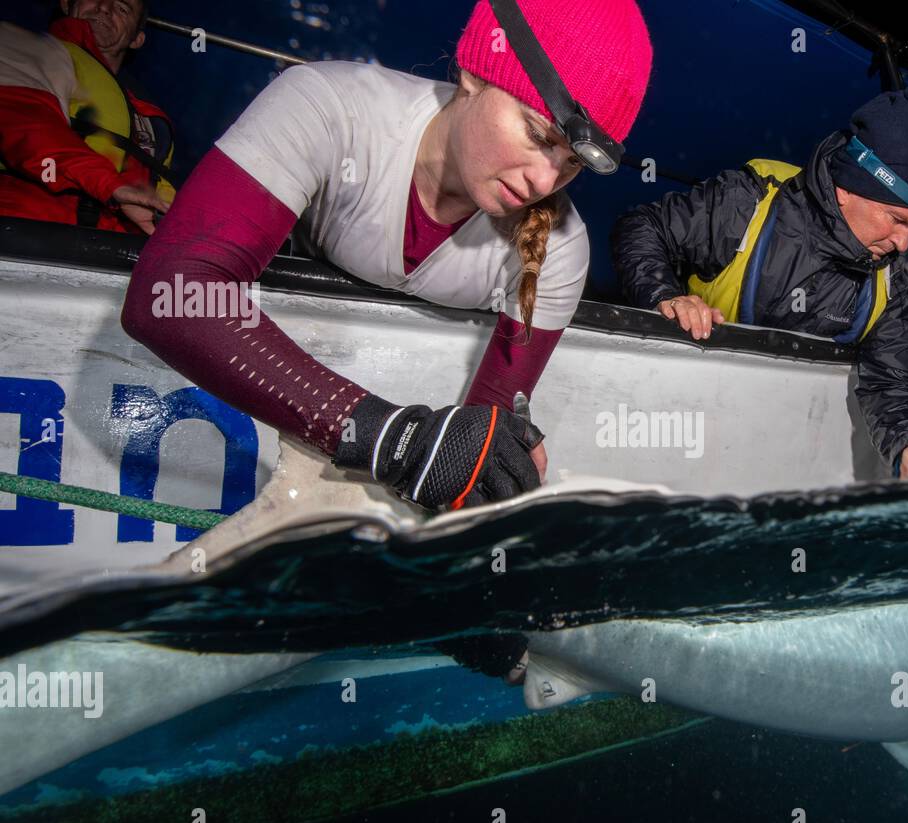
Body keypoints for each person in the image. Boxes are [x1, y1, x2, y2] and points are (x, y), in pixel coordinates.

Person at [120, 0, 653, 677]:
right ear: (474, 71)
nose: (544, 181)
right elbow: (174, 289)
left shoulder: (560, 248)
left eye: (571, 164)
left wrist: (473, 591)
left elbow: (484, 441)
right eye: (537, 135)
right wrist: (388, 436)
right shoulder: (330, 107)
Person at [611, 89, 908, 480]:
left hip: (785, 453)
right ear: (848, 187)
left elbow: (890, 373)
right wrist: (666, 296)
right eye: (897, 219)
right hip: (682, 423)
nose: (904, 243)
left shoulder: (902, 270)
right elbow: (642, 227)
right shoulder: (752, 200)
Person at [0, 0, 174, 234]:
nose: (105, 7)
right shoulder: (24, 49)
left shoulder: (154, 120)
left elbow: (163, 194)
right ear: (66, 4)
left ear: (137, 39)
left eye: (123, 7)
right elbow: (26, 127)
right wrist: (110, 185)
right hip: (25, 236)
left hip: (111, 255)